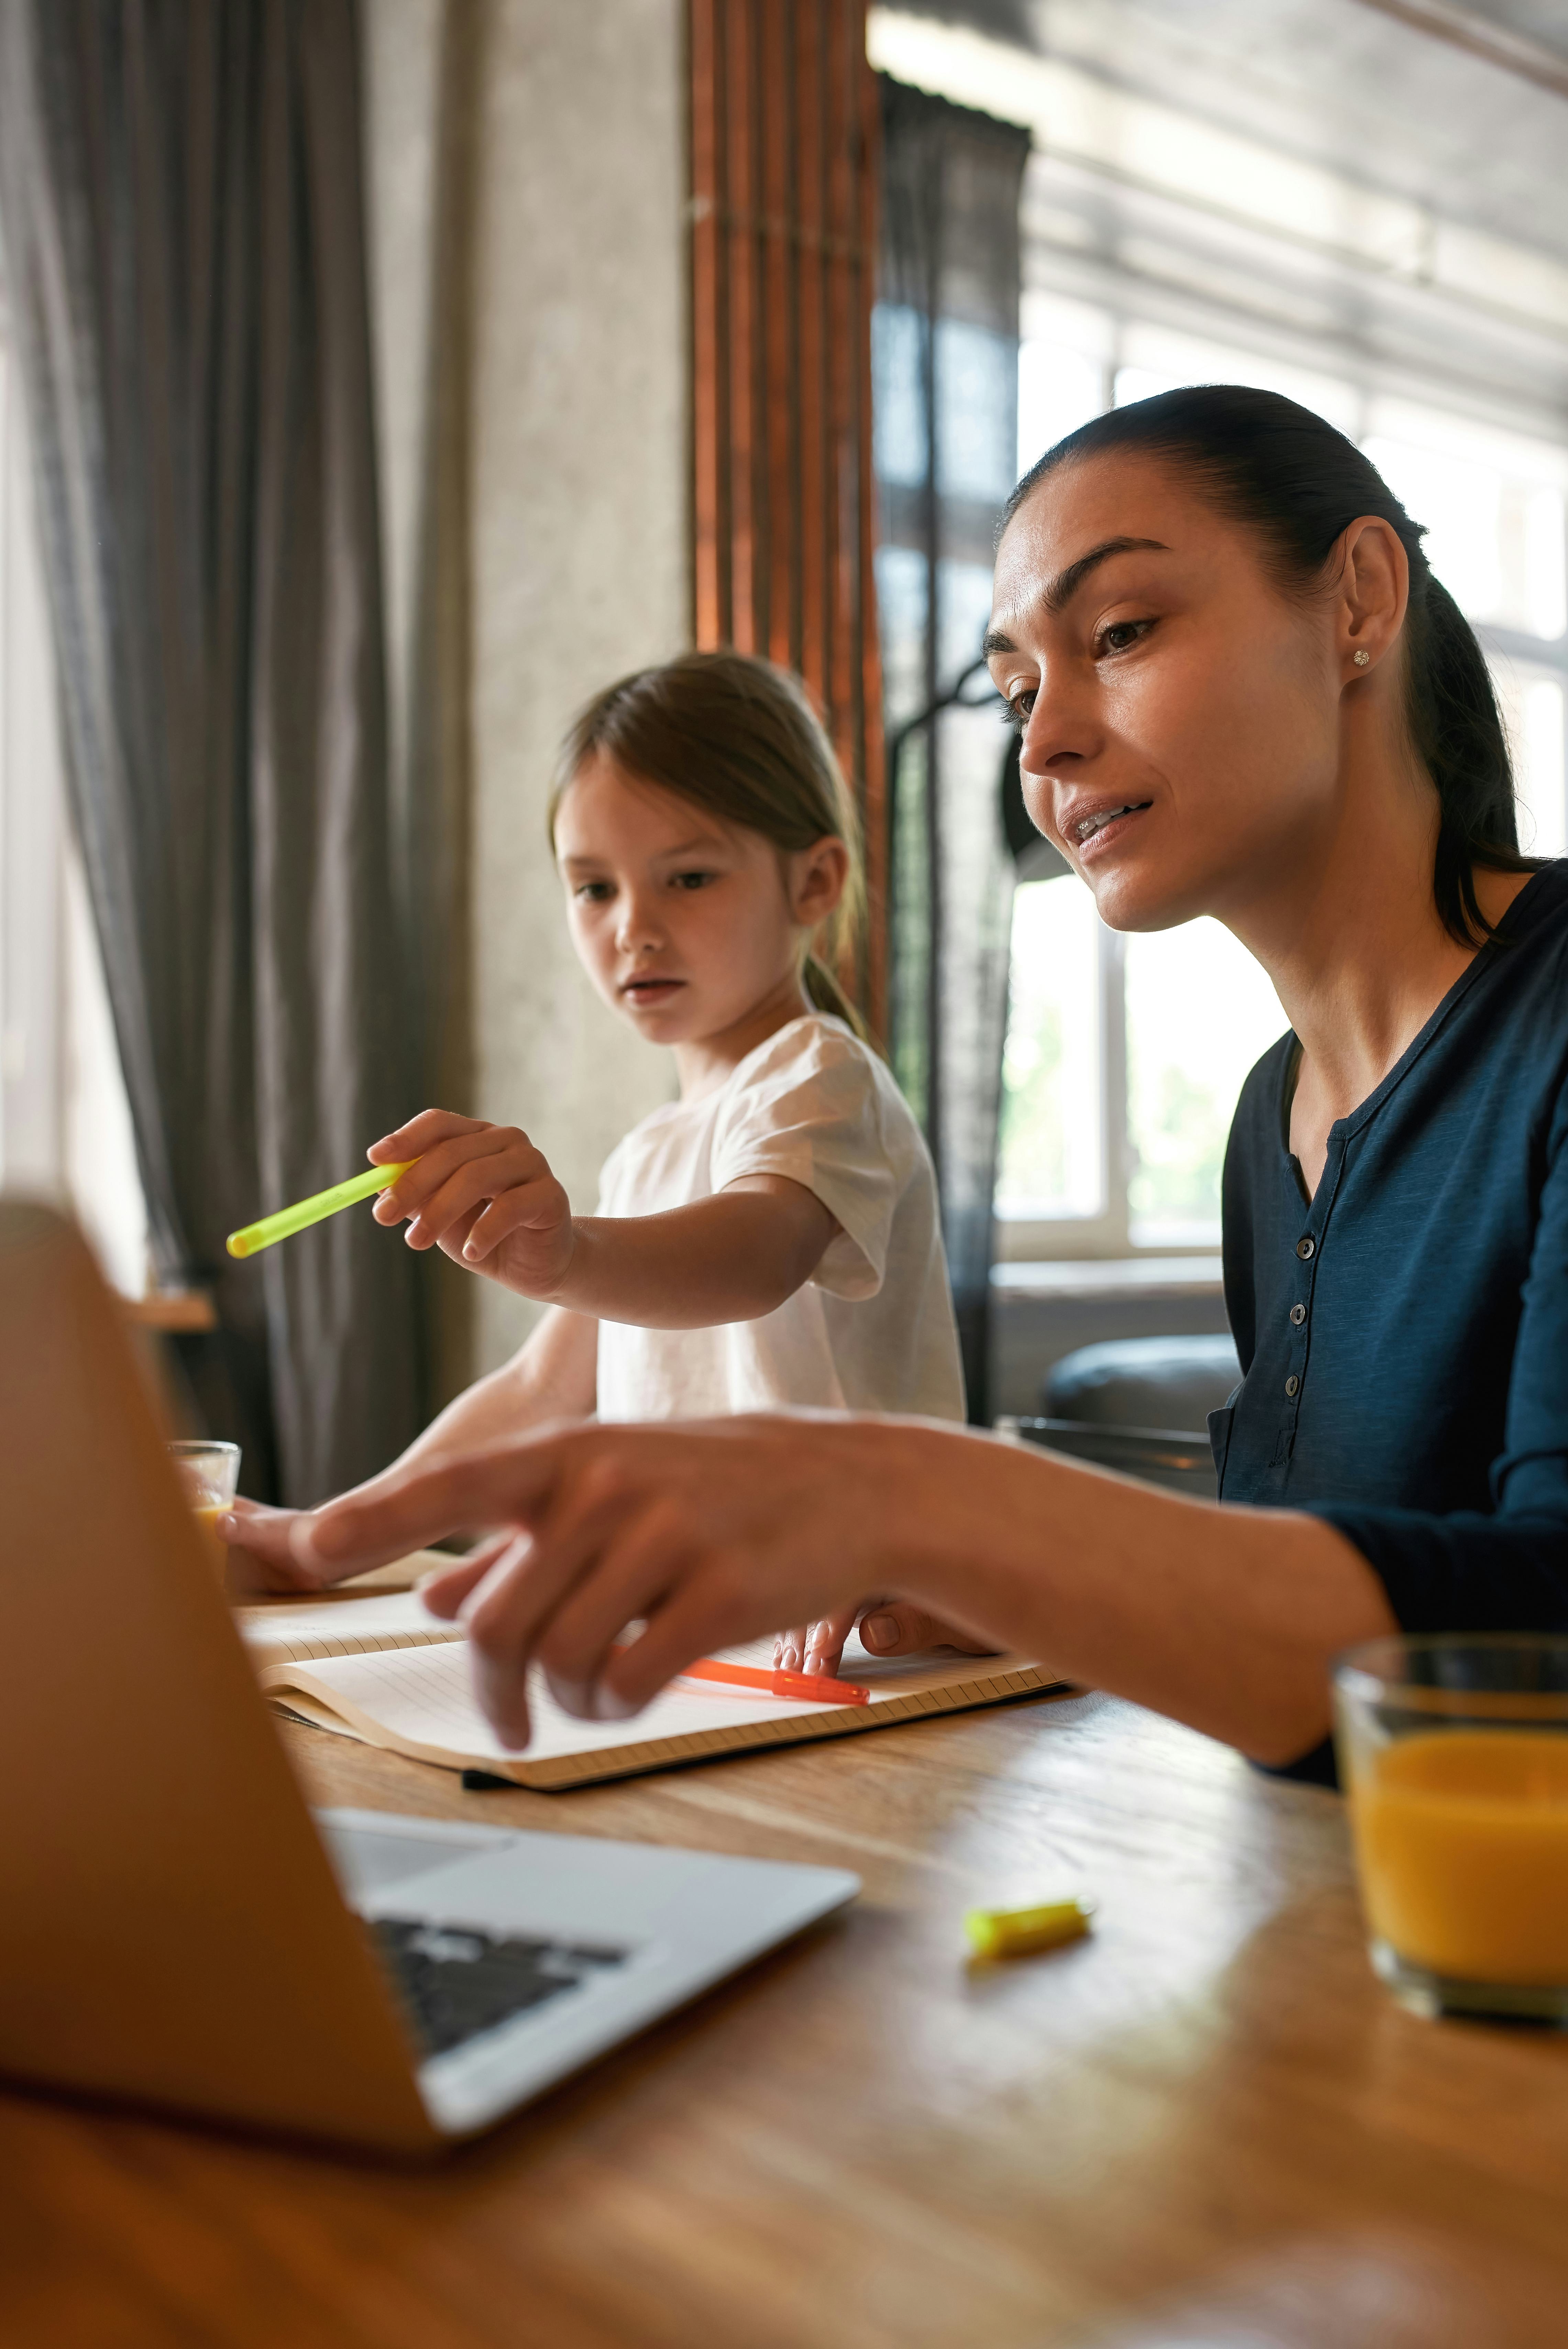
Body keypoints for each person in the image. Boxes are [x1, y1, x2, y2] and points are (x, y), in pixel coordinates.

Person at [283, 386, 1568, 1782]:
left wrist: (915, 1499)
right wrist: (1020, 1592)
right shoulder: (1277, 1121)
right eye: (1019, 688)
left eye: (1120, 633)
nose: (1042, 741)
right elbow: (1342, 1595)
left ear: (1357, 602)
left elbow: (1539, 1626)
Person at [225, 651, 963, 1680]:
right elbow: (537, 1388)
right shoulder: (653, 1147)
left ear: (814, 880)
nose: (633, 928)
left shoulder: (820, 1077)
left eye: (688, 876)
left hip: (861, 1654)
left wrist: (564, 1248)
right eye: (592, 888)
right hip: (722, 1654)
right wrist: (330, 1539)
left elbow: (751, 1252)